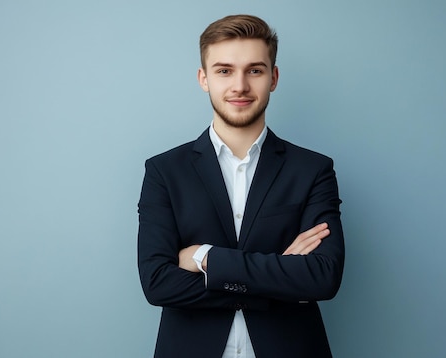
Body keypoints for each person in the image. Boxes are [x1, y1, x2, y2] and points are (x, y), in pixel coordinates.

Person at [137, 14, 345, 358]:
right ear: (204, 78)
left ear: (273, 78)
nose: (239, 86)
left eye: (255, 70)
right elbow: (158, 284)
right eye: (224, 71)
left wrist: (206, 258)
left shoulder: (313, 170)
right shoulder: (163, 171)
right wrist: (280, 279)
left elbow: (322, 277)